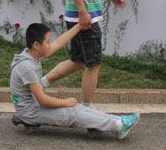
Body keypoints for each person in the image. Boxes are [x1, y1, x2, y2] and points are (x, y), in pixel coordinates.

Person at [11, 22, 139, 139]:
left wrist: (79, 26)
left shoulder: (32, 53)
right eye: (48, 42)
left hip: (33, 105)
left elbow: (60, 42)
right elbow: (42, 100)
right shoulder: (27, 66)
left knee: (77, 107)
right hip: (30, 112)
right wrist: (65, 102)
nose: (50, 45)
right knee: (72, 113)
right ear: (36, 45)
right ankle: (118, 125)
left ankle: (119, 121)